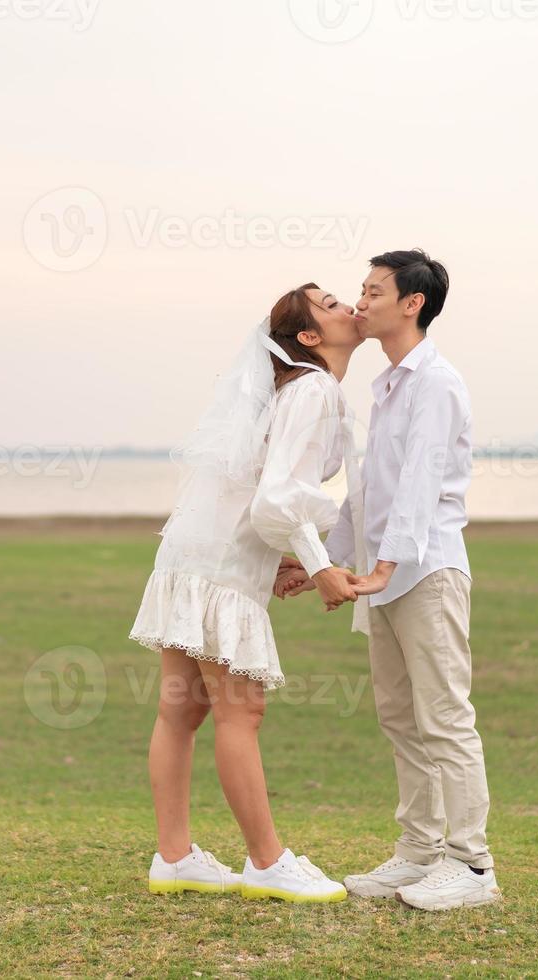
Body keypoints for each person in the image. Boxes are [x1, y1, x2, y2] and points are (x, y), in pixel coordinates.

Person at [130, 284, 367, 903]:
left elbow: (263, 491)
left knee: (181, 711)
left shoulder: (298, 389)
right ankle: (266, 863)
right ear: (310, 337)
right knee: (242, 711)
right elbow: (277, 499)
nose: (349, 306)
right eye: (332, 303)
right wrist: (319, 566)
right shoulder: (313, 388)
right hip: (219, 566)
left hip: (190, 552)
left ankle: (175, 857)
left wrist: (290, 556)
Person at [281, 250, 500, 911]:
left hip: (425, 571)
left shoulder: (437, 383)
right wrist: (318, 557)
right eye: (360, 290)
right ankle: (419, 853)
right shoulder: (388, 386)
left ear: (412, 304)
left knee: (445, 719)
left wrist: (384, 564)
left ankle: (472, 866)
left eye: (373, 291)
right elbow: (368, 492)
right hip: (388, 579)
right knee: (400, 718)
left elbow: (420, 486)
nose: (361, 301)